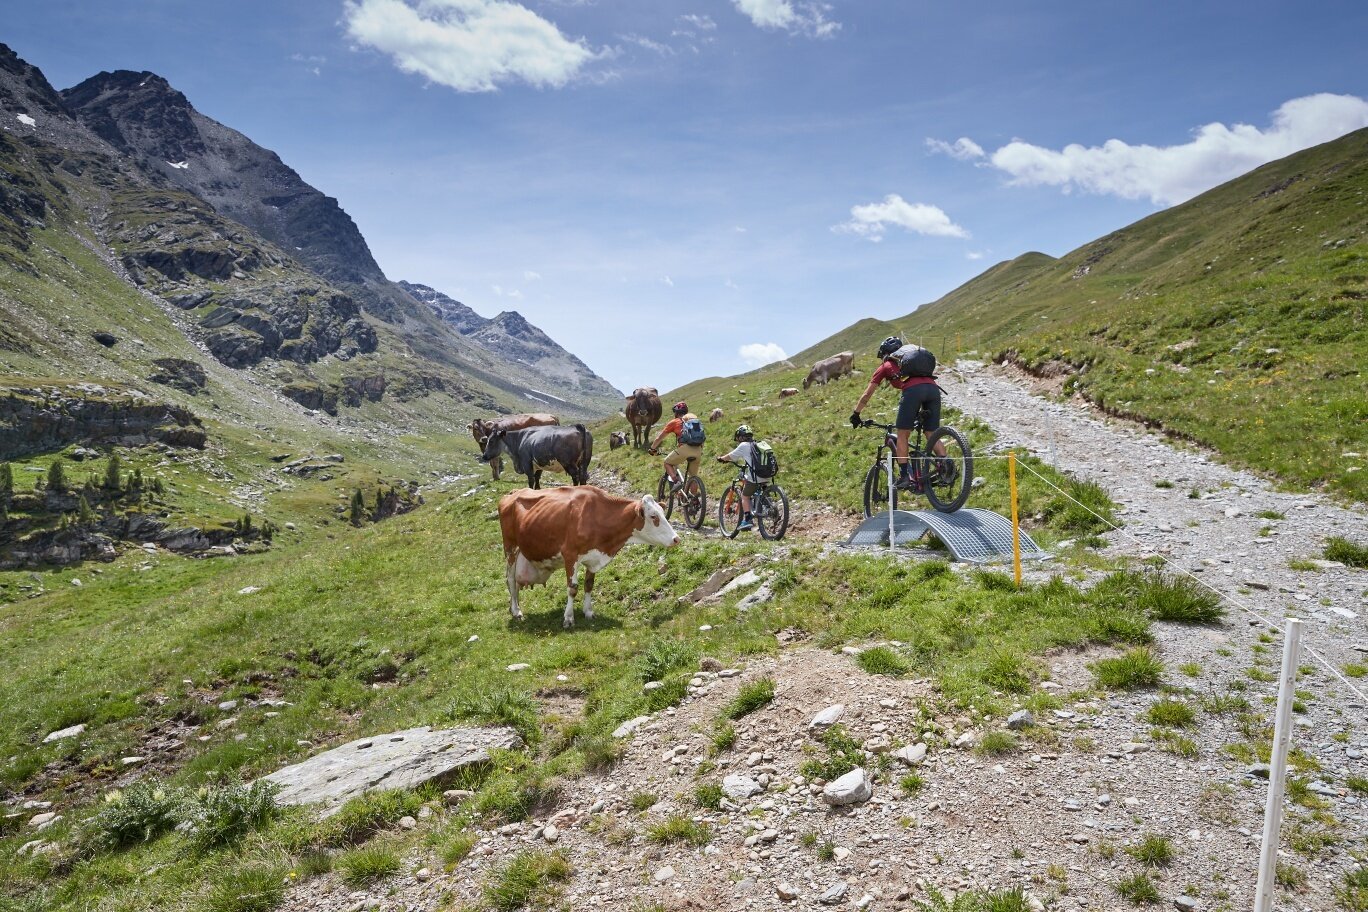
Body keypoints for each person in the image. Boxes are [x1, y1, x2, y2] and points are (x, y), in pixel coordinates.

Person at [849, 335, 947, 491]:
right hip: (933, 389)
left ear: (885, 353)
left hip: (913, 392)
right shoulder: (912, 362)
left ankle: (904, 477)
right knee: (931, 432)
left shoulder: (886, 365)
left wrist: (856, 414)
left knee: (902, 434)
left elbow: (867, 395)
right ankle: (946, 467)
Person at [715, 424, 764, 531]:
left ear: (741, 437)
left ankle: (747, 520)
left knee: (745, 496)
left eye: (738, 439)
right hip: (767, 475)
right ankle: (763, 505)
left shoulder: (743, 446)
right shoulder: (759, 444)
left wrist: (721, 459)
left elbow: (730, 456)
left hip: (756, 477)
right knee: (757, 491)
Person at [649, 401, 704, 492]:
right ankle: (694, 501)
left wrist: (652, 449)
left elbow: (659, 438)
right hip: (698, 450)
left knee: (667, 462)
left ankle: (676, 482)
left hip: (684, 450)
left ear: (676, 413)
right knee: (693, 477)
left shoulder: (674, 422)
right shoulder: (695, 421)